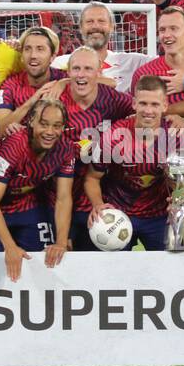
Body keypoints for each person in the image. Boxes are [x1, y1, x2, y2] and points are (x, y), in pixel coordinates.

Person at [0, 98, 75, 281]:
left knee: (44, 264)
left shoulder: (65, 149)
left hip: (29, 207)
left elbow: (63, 198)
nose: (50, 132)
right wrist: (9, 246)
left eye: (57, 126)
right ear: (31, 121)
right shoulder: (15, 144)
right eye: (44, 124)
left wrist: (61, 242)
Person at [54, 46, 136, 250]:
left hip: (99, 198)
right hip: (57, 197)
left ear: (99, 70)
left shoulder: (113, 99)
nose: (81, 75)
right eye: (76, 68)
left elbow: (145, 110)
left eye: (88, 69)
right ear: (68, 71)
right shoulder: (54, 101)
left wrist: (173, 115)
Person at [85, 76, 180, 251]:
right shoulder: (113, 136)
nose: (148, 111)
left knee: (167, 271)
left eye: (155, 104)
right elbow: (92, 178)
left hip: (159, 216)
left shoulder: (176, 137)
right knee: (115, 273)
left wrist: (180, 200)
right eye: (143, 104)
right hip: (118, 214)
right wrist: (98, 205)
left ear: (165, 106)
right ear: (134, 103)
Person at [51, 3, 153, 93]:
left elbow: (166, 62)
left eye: (101, 21)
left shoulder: (133, 62)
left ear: (112, 27)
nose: (95, 26)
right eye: (90, 21)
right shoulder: (59, 64)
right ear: (81, 27)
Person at [0, 25, 67, 139]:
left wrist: (66, 81)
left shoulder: (63, 78)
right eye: (27, 49)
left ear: (52, 56)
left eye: (40, 49)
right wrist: (32, 101)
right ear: (21, 55)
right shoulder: (11, 84)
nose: (33, 56)